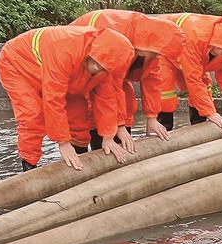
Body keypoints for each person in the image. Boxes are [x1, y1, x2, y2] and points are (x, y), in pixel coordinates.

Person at [0, 26, 134, 171]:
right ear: (93, 50)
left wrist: (108, 137)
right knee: (33, 116)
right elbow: (53, 99)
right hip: (17, 64)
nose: (97, 69)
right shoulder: (64, 49)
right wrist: (63, 142)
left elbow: (106, 99)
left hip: (63, 71)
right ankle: (29, 166)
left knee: (79, 118)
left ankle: (78, 163)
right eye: (97, 63)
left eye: (103, 68)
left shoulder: (105, 67)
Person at [69, 9, 184, 150]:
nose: (156, 57)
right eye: (155, 53)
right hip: (89, 63)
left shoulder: (151, 45)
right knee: (85, 114)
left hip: (107, 66)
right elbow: (110, 88)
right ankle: (86, 152)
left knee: (128, 104)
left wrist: (152, 117)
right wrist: (117, 127)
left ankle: (118, 141)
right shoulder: (116, 36)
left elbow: (152, 79)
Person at [158, 13, 222, 131]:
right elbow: (193, 79)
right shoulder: (194, 39)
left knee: (204, 84)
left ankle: (199, 125)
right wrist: (210, 112)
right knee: (164, 89)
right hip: (163, 49)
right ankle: (163, 130)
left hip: (185, 51)